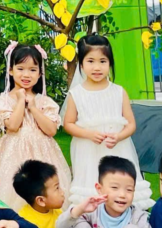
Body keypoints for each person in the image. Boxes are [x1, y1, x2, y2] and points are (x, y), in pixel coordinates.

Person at [63, 35, 151, 209]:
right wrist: (88, 134)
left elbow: (131, 124)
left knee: (119, 184)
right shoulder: (77, 94)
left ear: (110, 63)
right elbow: (68, 124)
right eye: (90, 61)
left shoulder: (118, 91)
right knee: (91, 186)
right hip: (88, 150)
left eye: (102, 61)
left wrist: (119, 136)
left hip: (118, 149)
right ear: (81, 64)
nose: (97, 67)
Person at [0, 42, 68, 210]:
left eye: (33, 70)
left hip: (43, 152)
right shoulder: (4, 100)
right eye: (20, 69)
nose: (26, 75)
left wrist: (33, 107)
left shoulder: (44, 101)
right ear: (10, 70)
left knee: (44, 188)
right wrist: (20, 101)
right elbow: (13, 126)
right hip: (13, 152)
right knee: (15, 192)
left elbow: (51, 130)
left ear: (40, 74)